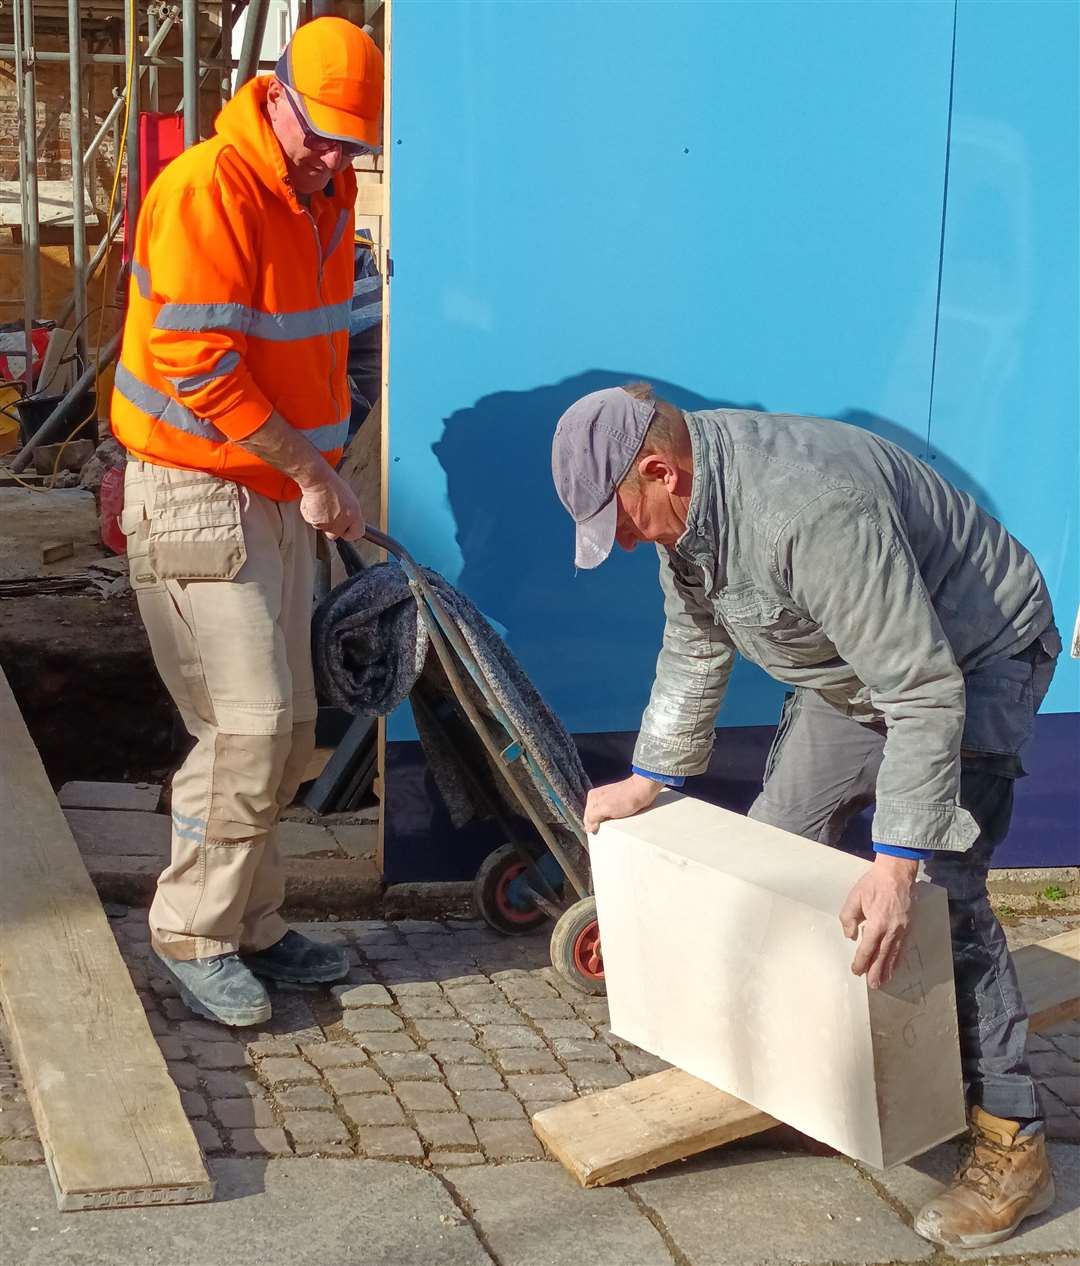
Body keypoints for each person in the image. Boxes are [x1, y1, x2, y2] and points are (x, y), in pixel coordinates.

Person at [551, 383, 1060, 1249]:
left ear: (659, 470)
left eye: (624, 517)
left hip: (971, 663)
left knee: (941, 903)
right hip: (857, 669)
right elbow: (696, 637)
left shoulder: (811, 510)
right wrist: (652, 774)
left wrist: (897, 865)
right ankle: (828, 1072)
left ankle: (1013, 1144)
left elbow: (924, 690)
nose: (627, 539)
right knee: (777, 852)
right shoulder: (692, 511)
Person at [111, 17, 382, 1027]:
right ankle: (191, 928)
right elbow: (200, 362)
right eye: (322, 135)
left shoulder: (325, 191)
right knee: (249, 725)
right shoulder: (207, 188)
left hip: (274, 492)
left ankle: (253, 922)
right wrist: (315, 470)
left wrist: (319, 469)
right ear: (275, 96)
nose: (333, 156)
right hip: (197, 488)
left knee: (295, 731)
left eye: (354, 143)